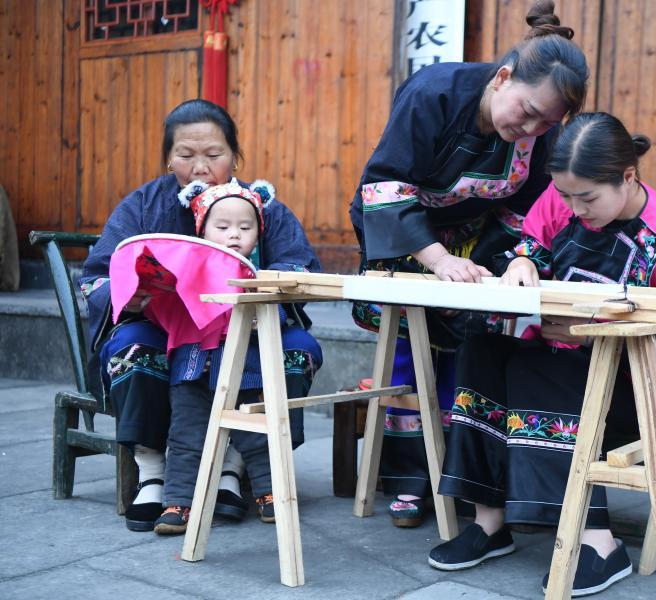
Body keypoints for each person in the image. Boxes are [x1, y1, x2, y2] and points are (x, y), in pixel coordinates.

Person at [428, 112, 656, 597]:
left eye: (588, 198)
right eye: (565, 196)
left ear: (628, 176)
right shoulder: (560, 204)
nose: (575, 210)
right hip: (561, 368)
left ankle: (597, 541)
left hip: (645, 392)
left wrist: (589, 336)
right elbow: (532, 247)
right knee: (481, 348)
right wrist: (521, 262)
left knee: (543, 366)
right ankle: (489, 520)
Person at [348, 0, 589, 528]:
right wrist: (437, 259)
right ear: (502, 78)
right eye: (527, 111)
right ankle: (409, 478)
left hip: (479, 238)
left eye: (546, 123)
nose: (532, 129)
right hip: (406, 231)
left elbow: (526, 209)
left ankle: (457, 475)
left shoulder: (539, 133)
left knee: (474, 336)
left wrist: (510, 262)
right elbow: (386, 185)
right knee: (411, 341)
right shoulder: (433, 92)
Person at [80, 99, 322, 532]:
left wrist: (262, 289)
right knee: (132, 348)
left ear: (234, 155)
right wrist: (130, 296)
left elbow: (299, 267)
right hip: (163, 329)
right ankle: (152, 473)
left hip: (248, 327)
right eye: (185, 155)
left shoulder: (261, 207)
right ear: (168, 158)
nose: (200, 168)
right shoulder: (144, 205)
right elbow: (98, 274)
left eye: (214, 154)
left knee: (297, 349)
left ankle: (234, 468)